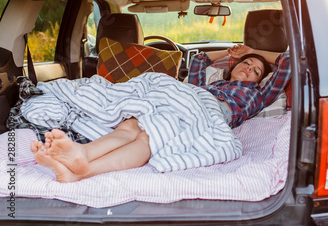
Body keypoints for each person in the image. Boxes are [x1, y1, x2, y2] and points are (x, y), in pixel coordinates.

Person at [30, 44, 291, 182]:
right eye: (246, 63)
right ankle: (82, 154)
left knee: (150, 136)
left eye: (256, 70)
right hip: (180, 97)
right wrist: (232, 52)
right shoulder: (210, 83)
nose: (249, 68)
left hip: (209, 111)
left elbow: (288, 62)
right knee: (131, 124)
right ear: (233, 66)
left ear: (260, 81)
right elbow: (199, 60)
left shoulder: (258, 94)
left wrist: (252, 52)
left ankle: (83, 171)